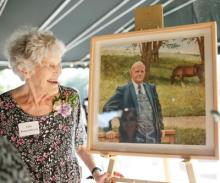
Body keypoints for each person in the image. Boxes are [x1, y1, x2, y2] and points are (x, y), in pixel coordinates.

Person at [0, 27, 109, 182]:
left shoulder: (70, 98)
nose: (58, 71)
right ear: (25, 69)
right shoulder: (4, 108)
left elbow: (79, 145)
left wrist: (96, 172)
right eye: (50, 65)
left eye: (59, 63)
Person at [103, 61, 164, 143]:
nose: (140, 74)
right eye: (137, 71)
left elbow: (158, 109)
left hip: (152, 138)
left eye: (142, 71)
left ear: (145, 73)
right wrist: (108, 130)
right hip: (132, 139)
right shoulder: (123, 90)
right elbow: (107, 108)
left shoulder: (151, 89)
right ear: (131, 73)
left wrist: (161, 127)